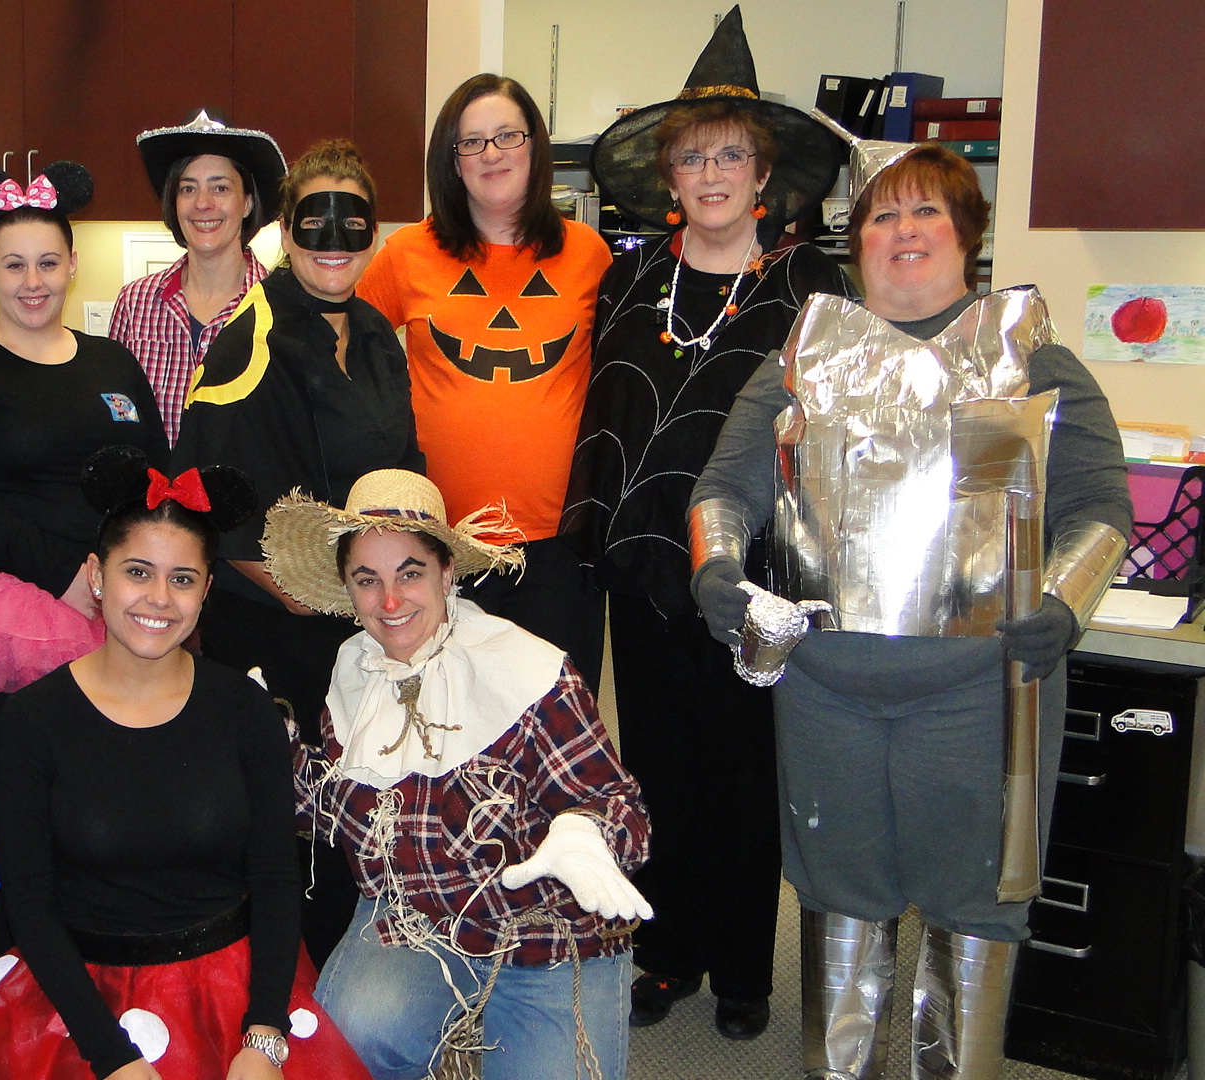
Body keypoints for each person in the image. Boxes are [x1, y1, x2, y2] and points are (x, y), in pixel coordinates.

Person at [689, 138, 1131, 1080]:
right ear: (859, 241)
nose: (904, 231)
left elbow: (1099, 508)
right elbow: (723, 488)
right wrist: (716, 567)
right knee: (841, 903)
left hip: (982, 697)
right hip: (826, 695)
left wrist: (1066, 602)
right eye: (884, 214)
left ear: (966, 233)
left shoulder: (1030, 356)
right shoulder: (804, 357)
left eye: (926, 211)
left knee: (975, 910)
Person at [558, 6, 849, 1040]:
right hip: (645, 568)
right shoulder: (632, 277)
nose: (713, 174)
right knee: (657, 769)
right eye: (694, 158)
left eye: (731, 156)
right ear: (670, 178)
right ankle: (666, 949)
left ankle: (740, 970)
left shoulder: (817, 291)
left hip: (761, 573)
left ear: (764, 176)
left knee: (744, 774)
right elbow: (610, 413)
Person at [0, 447, 371, 1080]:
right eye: (137, 572)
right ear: (96, 576)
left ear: (207, 590)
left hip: (235, 997)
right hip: (81, 1007)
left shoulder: (246, 708)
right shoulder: (30, 722)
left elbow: (273, 876)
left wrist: (264, 1033)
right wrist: (112, 1059)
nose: (159, 598)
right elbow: (28, 902)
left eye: (182, 579)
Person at [260, 469, 651, 1080]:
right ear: (348, 588)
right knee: (342, 1054)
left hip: (545, 936)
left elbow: (618, 806)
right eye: (369, 581)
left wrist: (583, 832)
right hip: (417, 922)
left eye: (410, 573)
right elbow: (343, 808)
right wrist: (263, 748)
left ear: (447, 573)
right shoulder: (355, 671)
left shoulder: (526, 670)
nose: (390, 603)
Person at [172, 138, 423, 964]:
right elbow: (218, 504)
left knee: (370, 803)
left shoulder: (381, 337)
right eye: (314, 218)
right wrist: (326, 596)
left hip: (372, 623)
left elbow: (404, 475)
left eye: (353, 221)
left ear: (374, 233)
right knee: (297, 826)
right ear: (284, 231)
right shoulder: (250, 337)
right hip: (282, 633)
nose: (333, 237)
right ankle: (297, 999)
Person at [357, 74, 611, 680]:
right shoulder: (408, 253)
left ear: (535, 147)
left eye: (506, 136)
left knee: (554, 717)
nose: (491, 154)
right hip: (441, 544)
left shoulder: (587, 253)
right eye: (471, 142)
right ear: (451, 159)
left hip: (559, 544)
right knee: (449, 727)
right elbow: (341, 348)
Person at [0, 161, 169, 693]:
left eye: (48, 263)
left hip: (124, 593)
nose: (33, 283)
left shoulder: (114, 362)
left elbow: (155, 477)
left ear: (72, 265)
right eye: (14, 265)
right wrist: (65, 577)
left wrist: (136, 574)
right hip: (18, 603)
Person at [111, 110, 285, 445]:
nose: (203, 204)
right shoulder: (135, 304)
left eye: (220, 188)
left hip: (246, 496)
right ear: (173, 203)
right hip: (151, 496)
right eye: (188, 189)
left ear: (247, 202)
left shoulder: (279, 309)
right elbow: (117, 415)